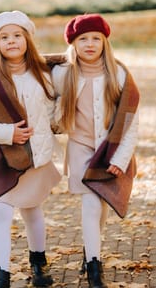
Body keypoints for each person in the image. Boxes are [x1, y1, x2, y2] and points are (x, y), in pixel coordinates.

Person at [0, 10, 62, 288]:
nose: (12, 41)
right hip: (4, 156)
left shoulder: (43, 73)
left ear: (28, 39)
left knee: (32, 210)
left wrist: (61, 121)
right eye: (4, 37)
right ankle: (1, 275)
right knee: (1, 211)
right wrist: (8, 133)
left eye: (17, 35)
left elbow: (53, 111)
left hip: (35, 157)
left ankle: (38, 264)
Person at [51, 14, 139, 288]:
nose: (90, 44)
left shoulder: (118, 74)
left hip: (108, 148)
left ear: (105, 42)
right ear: (73, 44)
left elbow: (130, 121)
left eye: (96, 39)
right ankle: (94, 267)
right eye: (83, 39)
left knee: (100, 204)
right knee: (90, 203)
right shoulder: (61, 74)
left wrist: (121, 158)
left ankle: (92, 251)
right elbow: (49, 112)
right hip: (79, 146)